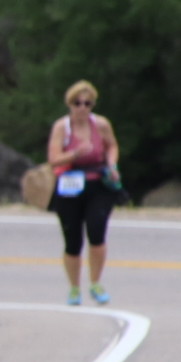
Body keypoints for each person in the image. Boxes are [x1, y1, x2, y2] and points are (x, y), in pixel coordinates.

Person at [44, 80, 123, 306]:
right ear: (70, 104)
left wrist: (112, 165)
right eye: (77, 103)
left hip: (97, 184)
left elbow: (112, 145)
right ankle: (74, 288)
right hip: (70, 185)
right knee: (72, 239)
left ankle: (95, 282)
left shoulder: (101, 124)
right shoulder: (62, 127)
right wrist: (74, 154)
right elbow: (53, 159)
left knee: (97, 232)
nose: (82, 108)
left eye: (87, 104)